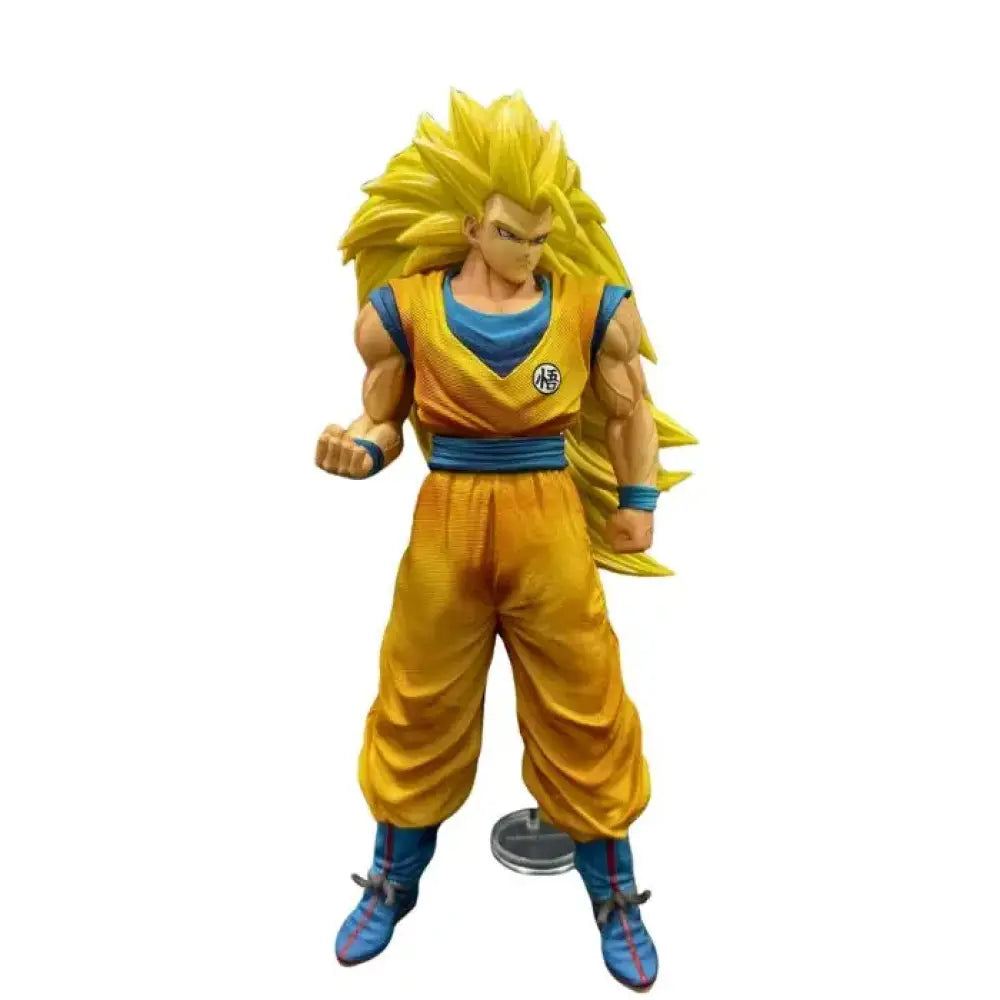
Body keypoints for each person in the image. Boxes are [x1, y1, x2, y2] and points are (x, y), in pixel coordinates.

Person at [315, 89, 694, 992]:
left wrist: (639, 496)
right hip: (447, 521)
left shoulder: (592, 308)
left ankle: (614, 893)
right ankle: (392, 878)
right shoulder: (402, 311)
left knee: (585, 702)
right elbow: (383, 419)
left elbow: (629, 411)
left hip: (548, 522)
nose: (528, 251)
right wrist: (361, 451)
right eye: (510, 234)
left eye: (540, 233)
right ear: (470, 229)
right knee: (417, 700)